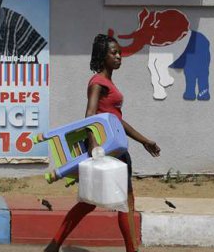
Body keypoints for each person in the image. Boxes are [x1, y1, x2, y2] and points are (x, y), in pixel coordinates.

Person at [44, 34, 161, 252]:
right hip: (108, 151)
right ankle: (131, 250)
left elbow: (116, 119)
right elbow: (90, 115)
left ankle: (53, 246)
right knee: (123, 203)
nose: (119, 56)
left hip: (115, 150)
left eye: (119, 52)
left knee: (92, 201)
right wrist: (94, 147)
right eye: (113, 53)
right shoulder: (97, 82)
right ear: (102, 56)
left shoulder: (108, 82)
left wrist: (144, 140)